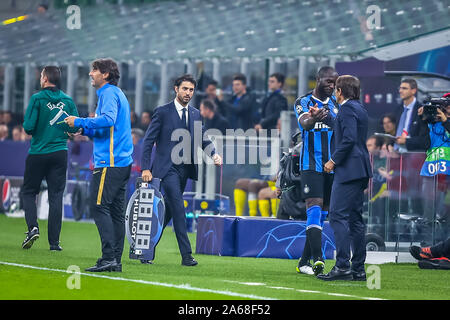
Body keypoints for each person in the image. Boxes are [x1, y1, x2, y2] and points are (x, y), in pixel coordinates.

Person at [141, 74, 222, 266]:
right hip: (165, 171)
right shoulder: (162, 112)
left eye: (191, 90)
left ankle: (144, 250)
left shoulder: (195, 113)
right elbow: (148, 142)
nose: (188, 93)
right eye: (185, 89)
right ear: (176, 89)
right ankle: (187, 256)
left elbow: (202, 138)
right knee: (178, 209)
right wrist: (145, 168)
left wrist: (214, 154)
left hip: (184, 171)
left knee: (168, 211)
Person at [65, 58, 133, 273]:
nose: (90, 74)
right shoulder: (116, 93)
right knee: (114, 212)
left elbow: (109, 119)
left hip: (110, 163)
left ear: (105, 74)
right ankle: (115, 260)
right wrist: (84, 131)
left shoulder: (109, 93)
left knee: (98, 206)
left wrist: (80, 121)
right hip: (121, 162)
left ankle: (109, 257)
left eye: (94, 70)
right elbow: (106, 128)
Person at [21, 66, 79, 251]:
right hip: (59, 153)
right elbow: (74, 127)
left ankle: (33, 227)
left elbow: (28, 127)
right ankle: (54, 243)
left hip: (38, 152)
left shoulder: (37, 98)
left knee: (29, 192)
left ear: (45, 78)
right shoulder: (67, 100)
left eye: (41, 76)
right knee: (56, 196)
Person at [320, 75, 372, 281]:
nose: (334, 92)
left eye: (336, 89)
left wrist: (333, 160)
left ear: (340, 91)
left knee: (337, 216)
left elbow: (348, 139)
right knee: (355, 219)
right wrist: (325, 118)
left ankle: (342, 266)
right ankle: (358, 268)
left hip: (348, 170)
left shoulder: (347, 109)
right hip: (360, 170)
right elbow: (345, 129)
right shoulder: (359, 108)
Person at [293, 66, 339, 276]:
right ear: (318, 79)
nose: (332, 86)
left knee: (322, 214)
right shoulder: (303, 102)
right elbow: (305, 123)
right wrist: (314, 118)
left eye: (334, 83)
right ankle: (319, 259)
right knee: (314, 206)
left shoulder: (338, 104)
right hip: (310, 164)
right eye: (328, 81)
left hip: (333, 165)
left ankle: (304, 261)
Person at [394, 79, 429, 152]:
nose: (400, 91)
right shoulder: (398, 110)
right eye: (400, 88)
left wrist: (407, 141)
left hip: (415, 155)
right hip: (397, 153)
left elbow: (425, 141)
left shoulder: (421, 110)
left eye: (404, 88)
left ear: (413, 91)